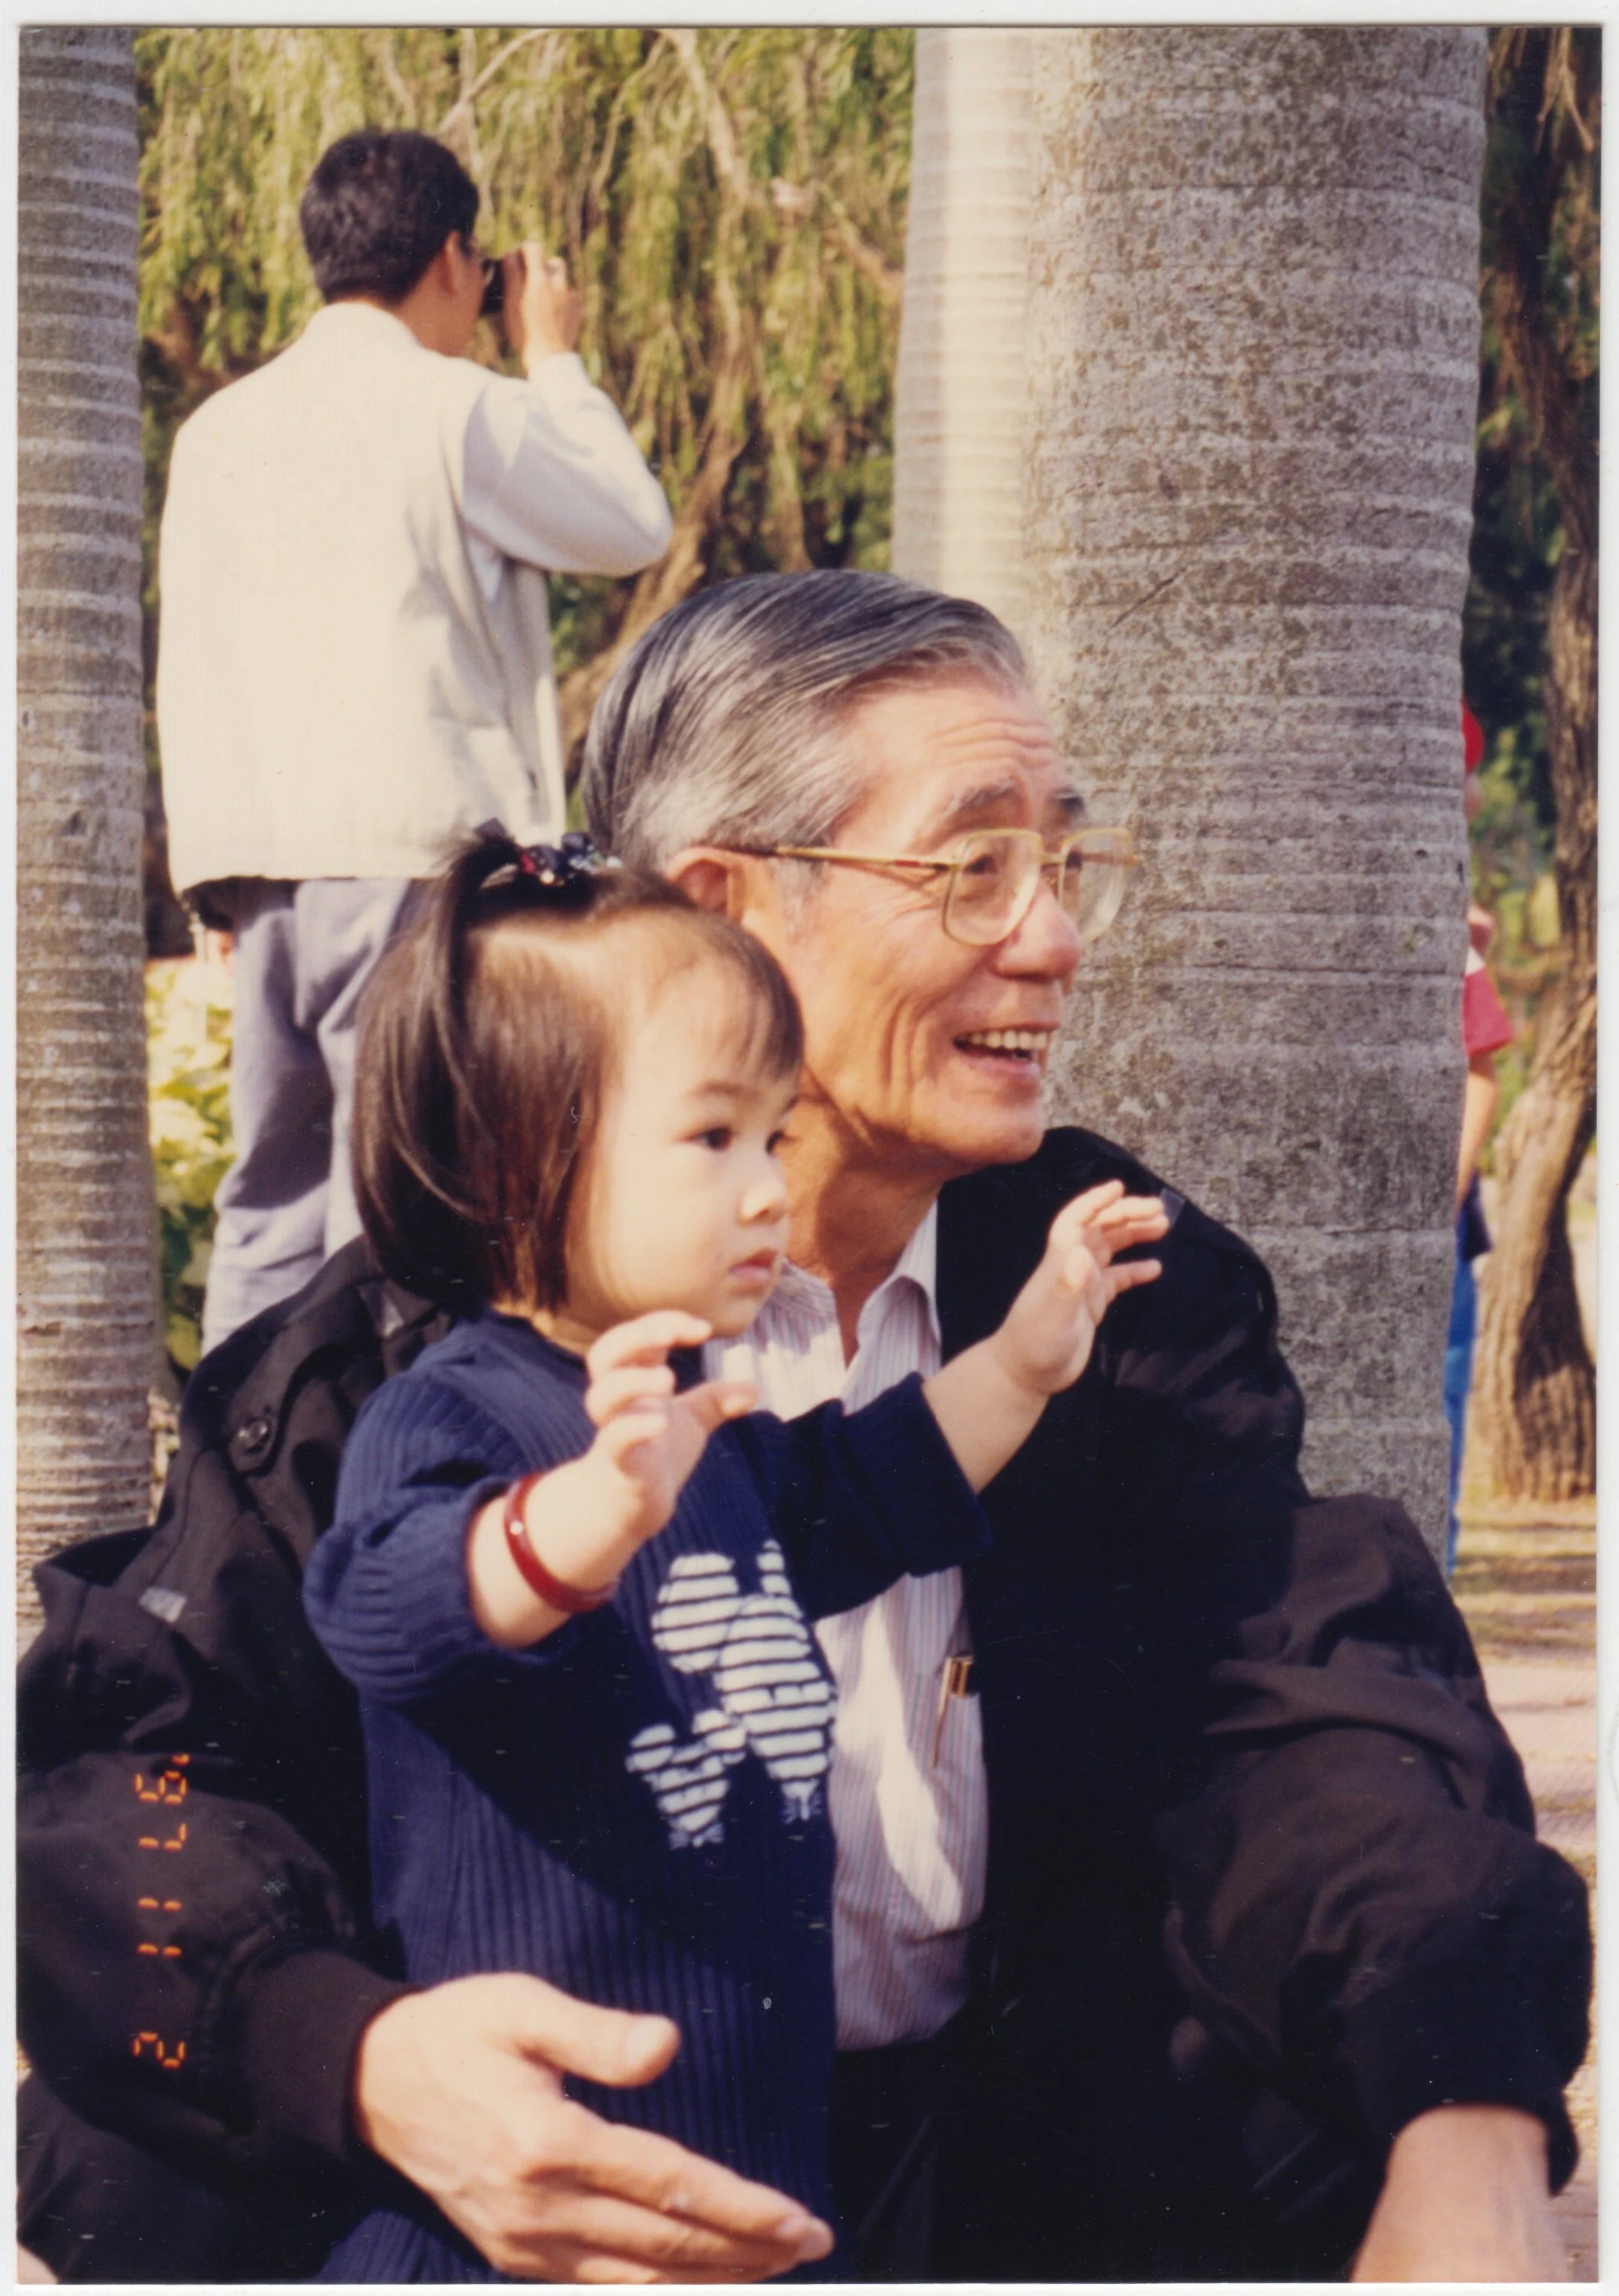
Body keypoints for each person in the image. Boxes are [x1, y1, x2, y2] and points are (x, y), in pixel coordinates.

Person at [19, 575, 1587, 2285]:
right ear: (728, 909)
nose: (1053, 936)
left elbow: (1314, 1704)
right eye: (970, 863)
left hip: (1001, 2169)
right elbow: (128, 1783)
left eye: (1064, 861)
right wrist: (368, 2059)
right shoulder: (395, 1370)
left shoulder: (1113, 1291)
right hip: (542, 2204)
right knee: (140, 2145)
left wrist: (1466, 2125)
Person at [301, 831, 1167, 2279]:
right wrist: (578, 1520)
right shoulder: (452, 1409)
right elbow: (386, 1608)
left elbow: (863, 1486)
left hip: (749, 2162)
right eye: (713, 1140)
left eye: (773, 1135)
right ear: (512, 1156)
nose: (768, 1187)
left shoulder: (703, 1422)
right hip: (534, 2209)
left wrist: (1024, 1359)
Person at [156, 126, 672, 1354]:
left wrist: (210, 880)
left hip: (259, 867)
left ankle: (244, 1497)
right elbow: (630, 522)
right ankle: (368, 1491)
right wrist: (554, 359)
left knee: (270, 1203)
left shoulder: (218, 430)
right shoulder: (454, 407)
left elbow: (198, 657)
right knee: (389, 1198)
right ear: (457, 258)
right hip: (406, 862)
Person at [1444, 703, 1517, 1574]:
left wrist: (1450, 1188)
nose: (1467, 794)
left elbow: (1483, 1069)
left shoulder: (1453, 933)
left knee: (1443, 1410)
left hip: (1446, 1226)